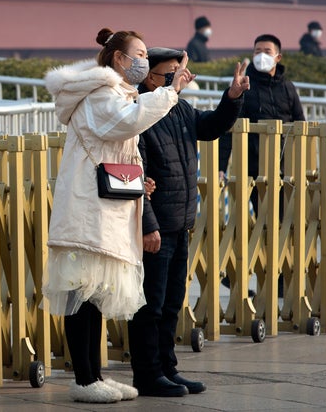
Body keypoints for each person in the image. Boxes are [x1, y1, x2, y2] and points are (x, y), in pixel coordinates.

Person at [43, 28, 191, 404]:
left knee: (94, 295)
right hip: (86, 211)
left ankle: (94, 376)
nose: (143, 60)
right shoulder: (101, 94)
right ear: (118, 59)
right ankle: (84, 379)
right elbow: (126, 122)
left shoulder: (114, 93)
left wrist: (140, 182)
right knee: (82, 293)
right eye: (138, 53)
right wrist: (170, 92)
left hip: (103, 208)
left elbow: (119, 143)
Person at [128, 47, 248, 397]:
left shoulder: (177, 107)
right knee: (150, 304)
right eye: (171, 72)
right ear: (150, 77)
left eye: (181, 71)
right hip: (156, 224)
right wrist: (148, 224)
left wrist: (232, 98)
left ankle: (167, 368)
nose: (181, 76)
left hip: (180, 220)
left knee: (171, 301)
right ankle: (147, 374)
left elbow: (208, 127)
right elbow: (138, 176)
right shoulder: (140, 113)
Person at [218, 34, 305, 296]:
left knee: (278, 224)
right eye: (257, 50)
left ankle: (277, 280)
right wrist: (222, 166)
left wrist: (299, 168)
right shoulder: (245, 86)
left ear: (278, 56)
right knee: (245, 223)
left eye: (267, 50)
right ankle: (234, 273)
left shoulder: (288, 88)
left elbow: (300, 125)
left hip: (283, 173)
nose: (261, 55)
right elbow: (227, 127)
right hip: (251, 171)